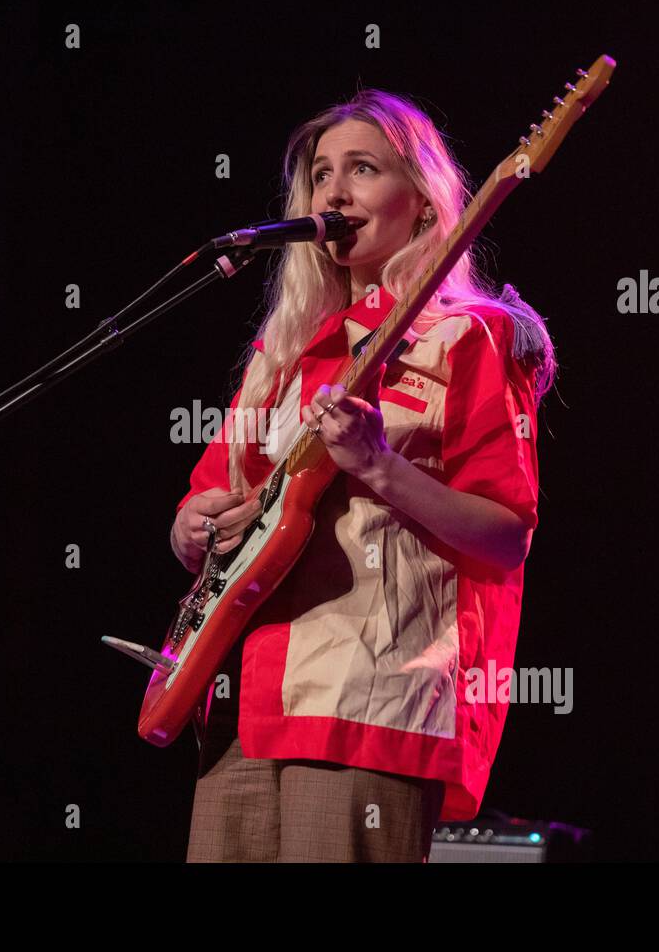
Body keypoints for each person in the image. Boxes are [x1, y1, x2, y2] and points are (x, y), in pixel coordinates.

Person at [169, 89, 558, 862]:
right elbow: (205, 506)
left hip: (367, 702)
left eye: (363, 169)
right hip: (242, 702)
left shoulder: (469, 337)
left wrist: (380, 466)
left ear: (421, 203)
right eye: (320, 174)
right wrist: (193, 524)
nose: (334, 193)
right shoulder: (281, 356)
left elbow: (507, 534)